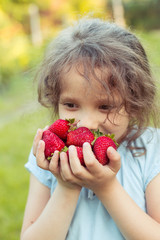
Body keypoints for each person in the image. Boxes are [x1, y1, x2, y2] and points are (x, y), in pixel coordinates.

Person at [20, 16, 160, 240]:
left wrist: (106, 187)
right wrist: (67, 186)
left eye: (105, 106)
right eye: (71, 105)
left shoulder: (152, 150)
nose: (86, 124)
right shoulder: (49, 156)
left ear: (134, 103)